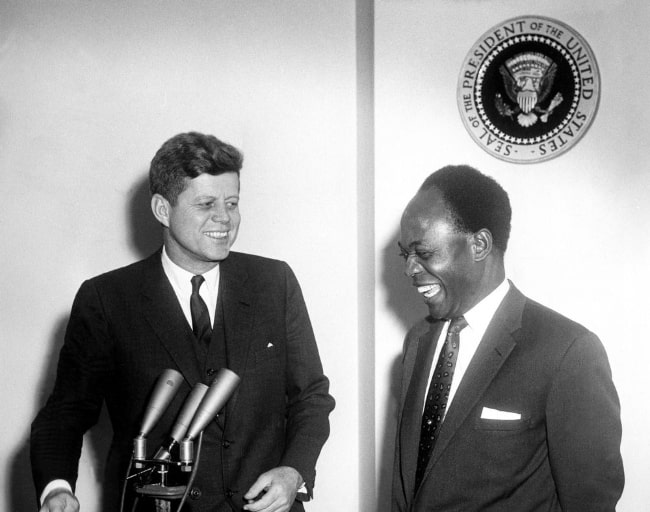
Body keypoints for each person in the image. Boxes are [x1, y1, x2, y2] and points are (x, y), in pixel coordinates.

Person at [30, 132, 335, 512]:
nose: (224, 218)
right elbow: (64, 413)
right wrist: (57, 489)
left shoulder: (275, 283)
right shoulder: (106, 299)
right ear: (162, 209)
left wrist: (294, 472)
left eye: (232, 203)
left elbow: (311, 396)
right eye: (206, 204)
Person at [392, 165, 624, 511]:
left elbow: (591, 504)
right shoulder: (417, 342)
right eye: (404, 254)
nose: (410, 269)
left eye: (424, 253)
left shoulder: (568, 352)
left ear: (480, 244)